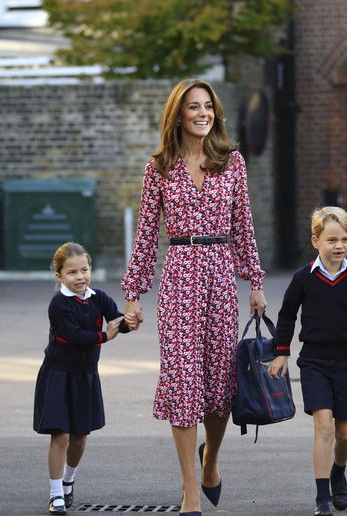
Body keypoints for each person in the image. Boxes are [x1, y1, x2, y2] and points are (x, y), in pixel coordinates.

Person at [121, 79, 267, 516]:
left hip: (221, 275)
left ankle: (211, 461)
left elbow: (244, 225)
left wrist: (254, 281)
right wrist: (133, 294)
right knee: (184, 384)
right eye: (193, 107)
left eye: (208, 106)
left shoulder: (233, 162)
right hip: (180, 275)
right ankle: (189, 492)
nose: (202, 113)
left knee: (221, 385)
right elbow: (146, 237)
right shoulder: (159, 168)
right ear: (178, 115)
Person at [269, 206, 347, 516]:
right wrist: (281, 351)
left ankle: (339, 471)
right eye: (332, 239)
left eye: (345, 239)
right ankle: (322, 496)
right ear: (316, 241)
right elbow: (286, 316)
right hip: (313, 362)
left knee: (345, 434)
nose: (339, 246)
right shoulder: (303, 279)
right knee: (324, 426)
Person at [33, 242, 130, 515]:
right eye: (72, 272)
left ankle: (68, 481)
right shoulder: (59, 304)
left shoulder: (97, 297)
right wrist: (105, 336)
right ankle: (55, 495)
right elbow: (74, 336)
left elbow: (116, 319)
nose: (80, 277)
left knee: (79, 437)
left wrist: (129, 322)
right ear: (59, 276)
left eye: (84, 270)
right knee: (60, 435)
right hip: (59, 374)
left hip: (86, 375)